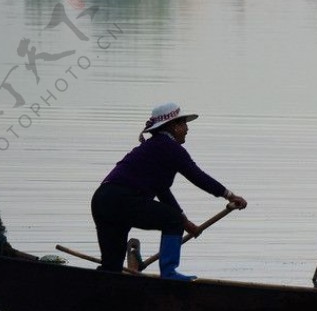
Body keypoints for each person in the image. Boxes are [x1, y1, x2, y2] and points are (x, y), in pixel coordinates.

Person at [91, 103, 248, 280]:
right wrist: (230, 195)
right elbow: (197, 176)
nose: (187, 129)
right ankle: (169, 273)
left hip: (102, 201)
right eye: (184, 124)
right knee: (172, 220)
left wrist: (185, 222)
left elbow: (162, 191)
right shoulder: (170, 148)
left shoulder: (155, 148)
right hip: (123, 200)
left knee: (112, 268)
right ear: (174, 126)